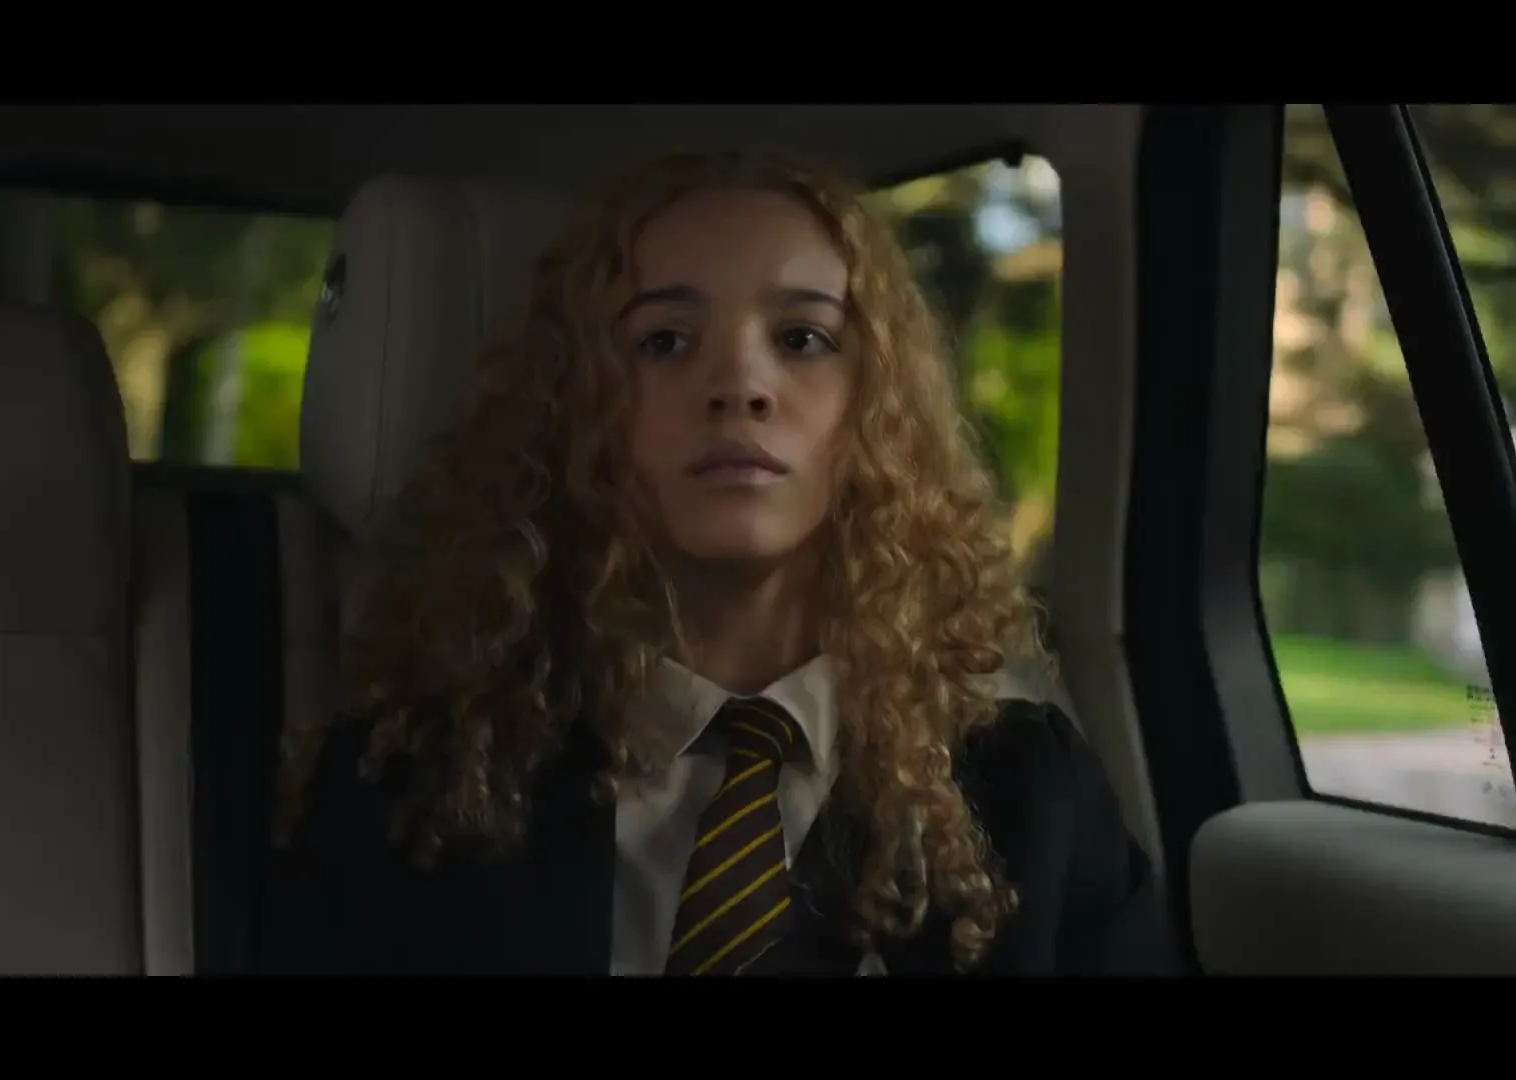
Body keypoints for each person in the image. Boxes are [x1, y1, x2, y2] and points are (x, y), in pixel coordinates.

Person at [262, 148, 1180, 976]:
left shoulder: (1028, 789)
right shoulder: (413, 791)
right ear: (579, 412)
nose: (740, 385)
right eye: (663, 341)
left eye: (803, 339)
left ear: (876, 412)